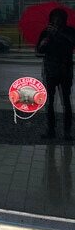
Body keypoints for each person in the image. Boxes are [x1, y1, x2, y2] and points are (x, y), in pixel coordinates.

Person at [36, 8, 75, 140]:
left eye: (59, 17)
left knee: (66, 101)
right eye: (54, 17)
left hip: (65, 71)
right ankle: (51, 130)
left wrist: (56, 34)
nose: (56, 20)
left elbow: (69, 46)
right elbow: (38, 52)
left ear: (63, 19)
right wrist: (42, 44)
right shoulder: (46, 32)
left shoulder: (70, 31)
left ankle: (67, 131)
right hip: (50, 71)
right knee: (50, 102)